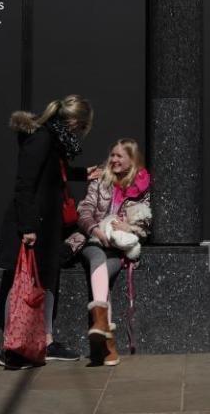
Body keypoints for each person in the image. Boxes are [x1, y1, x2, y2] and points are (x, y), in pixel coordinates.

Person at [0, 95, 101, 369]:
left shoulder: (54, 140)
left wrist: (81, 173)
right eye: (83, 128)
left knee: (47, 283)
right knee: (22, 285)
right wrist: (28, 226)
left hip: (48, 225)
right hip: (34, 226)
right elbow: (25, 184)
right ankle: (13, 349)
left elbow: (53, 175)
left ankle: (46, 341)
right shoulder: (42, 138)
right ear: (75, 122)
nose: (81, 134)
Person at [66, 139, 151, 366]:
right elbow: (84, 210)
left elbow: (145, 224)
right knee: (97, 258)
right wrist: (95, 229)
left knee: (104, 270)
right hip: (91, 240)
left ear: (132, 161)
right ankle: (106, 336)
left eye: (119, 156)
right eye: (112, 155)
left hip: (118, 247)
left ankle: (104, 337)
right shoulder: (101, 180)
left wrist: (130, 228)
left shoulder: (141, 187)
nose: (113, 160)